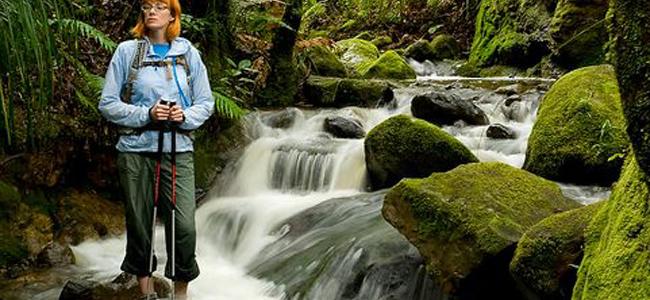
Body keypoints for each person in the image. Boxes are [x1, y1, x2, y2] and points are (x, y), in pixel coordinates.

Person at [98, 0, 214, 299]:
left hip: (178, 150)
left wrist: (184, 116)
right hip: (135, 150)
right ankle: (147, 292)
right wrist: (146, 114)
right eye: (147, 6)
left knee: (184, 226)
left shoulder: (188, 54)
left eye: (160, 6)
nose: (151, 11)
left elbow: (205, 102)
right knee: (139, 223)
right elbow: (108, 103)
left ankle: (180, 293)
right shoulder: (127, 52)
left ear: (172, 15)